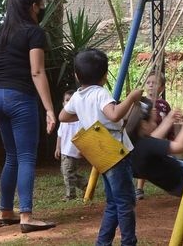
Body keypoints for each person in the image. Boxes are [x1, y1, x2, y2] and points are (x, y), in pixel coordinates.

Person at [0, 0, 56, 233]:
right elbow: (36, 71)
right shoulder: (33, 32)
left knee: (12, 157)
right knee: (26, 157)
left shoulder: (3, 32)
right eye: (41, 4)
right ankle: (26, 216)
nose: (42, 8)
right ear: (34, 6)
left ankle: (5, 212)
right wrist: (49, 109)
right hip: (20, 97)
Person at [58, 48, 142, 246]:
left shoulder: (77, 97)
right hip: (114, 150)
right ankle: (129, 242)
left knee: (113, 202)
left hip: (98, 151)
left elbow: (63, 116)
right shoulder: (100, 93)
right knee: (125, 202)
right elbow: (114, 115)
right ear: (105, 76)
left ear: (77, 76)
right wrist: (131, 98)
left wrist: (87, 115)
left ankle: (103, 243)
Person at [135, 71, 173, 201]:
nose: (151, 85)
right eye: (148, 82)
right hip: (146, 138)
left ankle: (170, 184)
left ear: (161, 88)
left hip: (161, 138)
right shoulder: (142, 102)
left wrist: (171, 136)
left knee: (163, 163)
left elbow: (169, 121)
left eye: (154, 83)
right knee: (144, 162)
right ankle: (139, 188)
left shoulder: (164, 104)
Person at [54, 90, 87, 200]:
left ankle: (70, 195)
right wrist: (58, 148)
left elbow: (83, 136)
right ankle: (85, 185)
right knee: (67, 173)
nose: (69, 102)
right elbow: (60, 135)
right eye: (67, 100)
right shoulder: (63, 120)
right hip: (64, 151)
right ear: (63, 104)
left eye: (72, 100)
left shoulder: (79, 120)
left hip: (73, 152)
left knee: (68, 173)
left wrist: (82, 149)